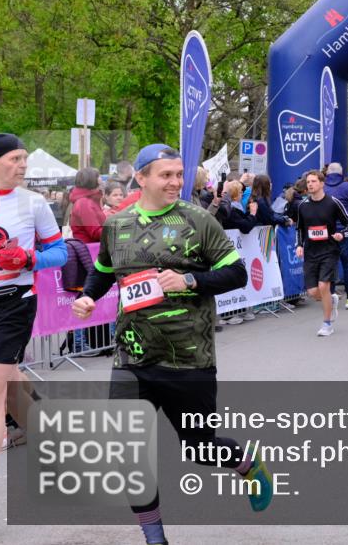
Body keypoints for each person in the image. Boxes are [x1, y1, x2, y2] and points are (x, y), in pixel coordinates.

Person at [71, 144, 272, 545]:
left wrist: (190, 280)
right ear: (141, 178)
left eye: (179, 174)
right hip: (132, 355)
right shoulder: (117, 223)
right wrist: (88, 296)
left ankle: (248, 467)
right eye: (166, 175)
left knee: (199, 449)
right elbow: (104, 272)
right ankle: (154, 536)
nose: (175, 182)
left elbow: (236, 273)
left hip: (189, 358)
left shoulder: (198, 220)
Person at [0, 133, 67, 479]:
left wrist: (28, 258)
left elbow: (60, 254)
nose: (23, 165)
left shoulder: (34, 203)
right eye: (14, 159)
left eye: (24, 158)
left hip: (14, 304)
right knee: (9, 381)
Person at [295, 170, 348, 336]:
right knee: (313, 292)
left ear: (322, 183)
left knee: (323, 286)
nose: (310, 185)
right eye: (308, 182)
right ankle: (331, 299)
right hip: (310, 252)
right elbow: (299, 228)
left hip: (329, 251)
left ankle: (327, 324)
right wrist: (299, 245)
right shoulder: (303, 206)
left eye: (313, 181)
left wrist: (341, 234)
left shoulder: (332, 203)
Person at [324, 162, 348, 309]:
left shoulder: (322, 187)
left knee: (330, 265)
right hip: (346, 232)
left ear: (327, 173)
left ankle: (330, 297)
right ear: (342, 174)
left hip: (327, 233)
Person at [68, 167, 106, 243]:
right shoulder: (84, 203)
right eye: (98, 176)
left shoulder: (88, 200)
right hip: (90, 250)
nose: (101, 178)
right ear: (92, 179)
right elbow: (95, 232)